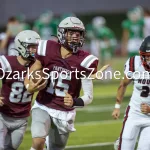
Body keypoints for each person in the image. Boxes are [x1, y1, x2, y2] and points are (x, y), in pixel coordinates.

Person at [25, 17, 99, 150]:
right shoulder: (46, 47)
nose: (76, 36)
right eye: (71, 32)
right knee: (38, 142)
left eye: (79, 33)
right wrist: (29, 85)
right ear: (61, 33)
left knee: (56, 147)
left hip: (65, 112)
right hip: (43, 105)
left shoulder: (86, 60)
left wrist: (74, 102)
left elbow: (89, 96)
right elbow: (30, 73)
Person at [0, 30, 45, 150]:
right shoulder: (7, 63)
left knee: (11, 148)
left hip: (22, 118)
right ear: (20, 46)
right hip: (3, 115)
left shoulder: (38, 66)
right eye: (31, 47)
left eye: (36, 47)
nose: (34, 50)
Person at [112, 36, 150, 150]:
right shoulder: (134, 63)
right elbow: (123, 84)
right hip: (134, 113)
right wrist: (117, 107)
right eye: (146, 56)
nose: (148, 60)